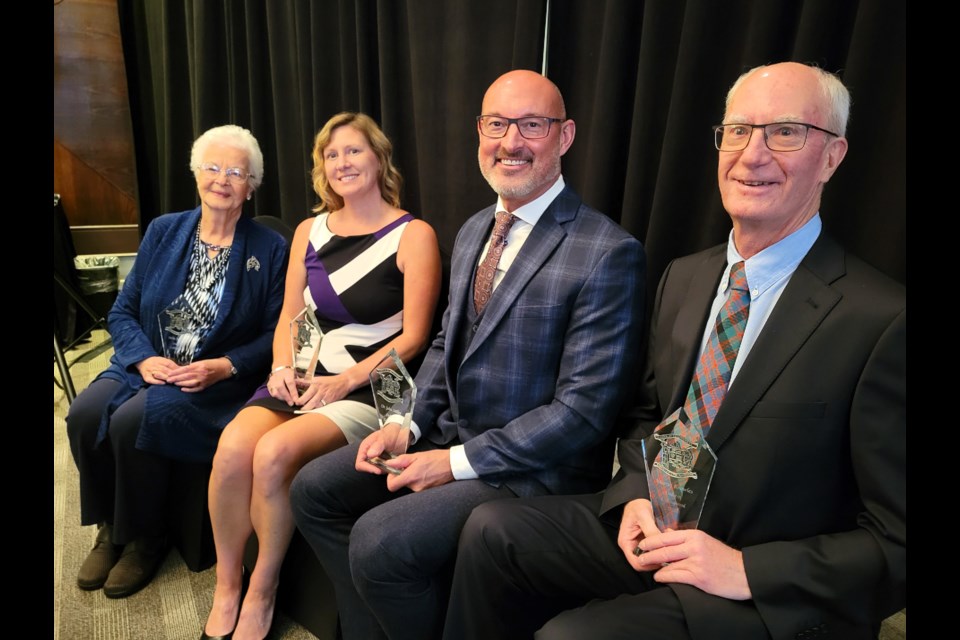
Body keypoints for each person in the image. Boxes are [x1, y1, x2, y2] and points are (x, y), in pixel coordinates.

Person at [442, 62, 906, 640]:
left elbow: (895, 539)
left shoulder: (881, 320)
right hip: (659, 532)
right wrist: (635, 494)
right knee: (491, 531)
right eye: (737, 131)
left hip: (753, 585)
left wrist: (746, 570)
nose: (752, 154)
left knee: (569, 637)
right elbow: (646, 415)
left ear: (832, 157)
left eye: (784, 132)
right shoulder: (684, 277)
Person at [290, 70, 646, 640]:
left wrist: (452, 463)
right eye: (497, 124)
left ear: (566, 135)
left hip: (532, 470)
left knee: (380, 542)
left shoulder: (607, 252)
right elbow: (442, 344)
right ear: (479, 130)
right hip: (447, 434)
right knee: (313, 490)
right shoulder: (476, 227)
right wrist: (406, 424)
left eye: (532, 125)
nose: (511, 142)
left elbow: (582, 414)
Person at [201, 112, 441, 640]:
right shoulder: (309, 231)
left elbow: (414, 339)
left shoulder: (413, 234)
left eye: (353, 151)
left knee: (274, 453)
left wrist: (343, 380)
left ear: (379, 158)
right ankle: (227, 585)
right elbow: (290, 315)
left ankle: (263, 589)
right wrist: (282, 367)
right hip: (300, 380)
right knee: (232, 449)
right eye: (331, 155)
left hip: (367, 391)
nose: (341, 163)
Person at [66, 125, 288, 599]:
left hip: (210, 381)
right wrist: (143, 359)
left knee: (132, 421)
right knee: (84, 413)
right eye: (212, 167)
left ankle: (146, 537)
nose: (222, 180)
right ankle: (111, 529)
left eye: (236, 172)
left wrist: (225, 365)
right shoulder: (164, 231)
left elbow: (277, 332)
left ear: (251, 184)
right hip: (143, 364)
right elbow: (123, 310)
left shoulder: (270, 249)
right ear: (196, 173)